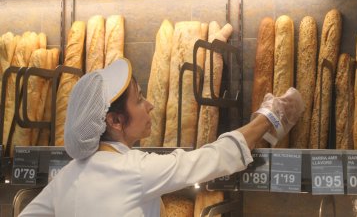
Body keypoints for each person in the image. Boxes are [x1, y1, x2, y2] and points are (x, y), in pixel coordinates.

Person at [20, 57, 304, 217]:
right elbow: (212, 158)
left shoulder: (66, 177)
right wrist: (269, 117)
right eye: (140, 99)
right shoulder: (133, 170)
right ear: (115, 120)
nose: (150, 106)